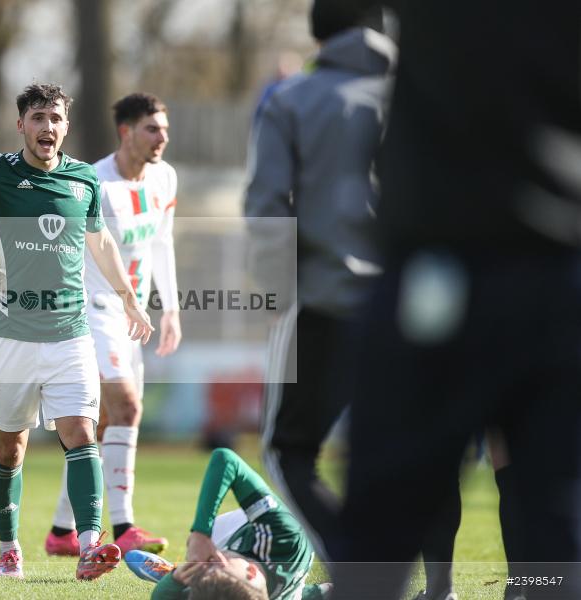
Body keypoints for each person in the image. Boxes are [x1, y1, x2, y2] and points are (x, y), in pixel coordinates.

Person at [328, 1, 581, 599]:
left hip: (443, 265)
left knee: (377, 543)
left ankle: (467, 585)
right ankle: (527, 584)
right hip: (557, 269)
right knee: (558, 534)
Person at [0, 83, 154, 581]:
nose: (47, 127)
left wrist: (129, 297)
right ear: (21, 125)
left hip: (71, 334)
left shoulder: (84, 179)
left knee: (82, 433)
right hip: (10, 337)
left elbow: (100, 239)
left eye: (56, 118)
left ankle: (89, 545)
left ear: (66, 125)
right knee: (9, 450)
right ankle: (8, 546)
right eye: (37, 117)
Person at [244, 0, 394, 567]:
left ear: (317, 33)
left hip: (328, 299)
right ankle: (437, 583)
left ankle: (358, 574)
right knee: (409, 453)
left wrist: (273, 287)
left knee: (290, 452)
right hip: (416, 303)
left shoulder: (294, 99)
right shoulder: (422, 94)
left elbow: (267, 205)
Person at [45, 92, 181, 558]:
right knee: (127, 409)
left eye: (163, 127)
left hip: (134, 318)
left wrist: (171, 311)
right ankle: (123, 526)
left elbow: (162, 244)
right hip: (94, 312)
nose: (162, 136)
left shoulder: (165, 178)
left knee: (103, 424)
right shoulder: (94, 182)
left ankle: (62, 532)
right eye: (152, 128)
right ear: (126, 132)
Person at [125, 448, 332, 600]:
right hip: (266, 536)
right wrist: (200, 533)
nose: (215, 560)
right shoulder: (284, 536)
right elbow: (225, 459)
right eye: (217, 565)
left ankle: (177, 571)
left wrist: (176, 580)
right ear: (251, 571)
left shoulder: (229, 583)